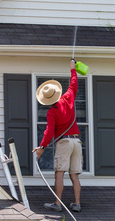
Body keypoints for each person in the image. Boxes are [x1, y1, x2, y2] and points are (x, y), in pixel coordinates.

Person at [33, 60, 82, 212]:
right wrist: (73, 70)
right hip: (77, 142)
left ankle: (57, 203)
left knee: (59, 173)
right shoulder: (68, 98)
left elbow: (48, 132)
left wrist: (41, 147)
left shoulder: (52, 112)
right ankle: (77, 203)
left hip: (65, 142)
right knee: (74, 175)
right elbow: (74, 84)